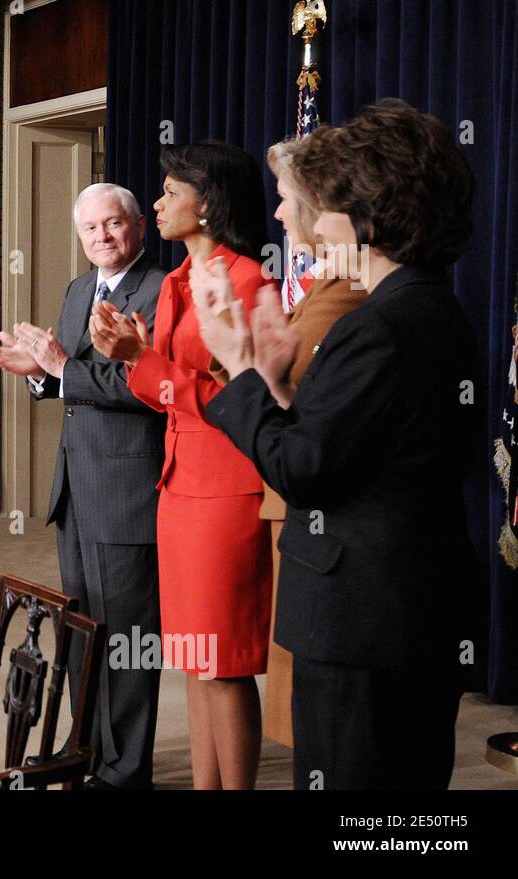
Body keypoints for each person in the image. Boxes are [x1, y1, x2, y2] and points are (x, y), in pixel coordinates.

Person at [193, 99, 481, 789]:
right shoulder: (432, 307)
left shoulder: (378, 326)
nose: (315, 222)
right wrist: (275, 385)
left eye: (331, 206)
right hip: (408, 614)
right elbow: (357, 445)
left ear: (370, 218)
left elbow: (304, 470)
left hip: (364, 624)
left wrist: (239, 369)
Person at [89, 142, 275, 789]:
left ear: (210, 202)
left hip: (226, 491)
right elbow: (165, 393)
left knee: (224, 665)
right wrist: (133, 358)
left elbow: (235, 404)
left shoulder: (248, 282)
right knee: (194, 660)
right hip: (176, 487)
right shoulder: (173, 283)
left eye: (171, 191)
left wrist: (141, 360)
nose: (159, 202)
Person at [0, 183, 166, 789]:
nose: (101, 237)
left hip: (127, 491)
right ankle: (84, 747)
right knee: (83, 629)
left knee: (127, 638)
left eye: (113, 224)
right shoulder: (78, 288)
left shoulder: (162, 290)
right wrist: (40, 375)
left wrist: (62, 367)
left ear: (138, 227)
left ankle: (126, 770)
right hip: (76, 488)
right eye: (90, 228)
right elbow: (72, 383)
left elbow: (149, 389)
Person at [205, 138, 367, 747]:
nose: (277, 213)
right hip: (293, 508)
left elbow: (287, 393)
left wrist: (235, 347)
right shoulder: (327, 287)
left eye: (285, 198)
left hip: (314, 515)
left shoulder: (344, 294)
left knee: (313, 716)